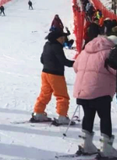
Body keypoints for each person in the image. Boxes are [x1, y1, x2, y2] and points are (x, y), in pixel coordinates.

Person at [73, 25, 117, 157]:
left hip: (83, 90)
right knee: (104, 117)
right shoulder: (110, 52)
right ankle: (106, 148)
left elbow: (76, 67)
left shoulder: (86, 50)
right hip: (100, 91)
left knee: (88, 115)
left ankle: (86, 144)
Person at [32, 29, 74, 124]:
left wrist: (49, 64)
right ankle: (62, 116)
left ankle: (38, 113)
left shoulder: (47, 45)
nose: (63, 39)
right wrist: (76, 63)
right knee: (62, 95)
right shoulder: (57, 47)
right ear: (57, 38)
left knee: (45, 93)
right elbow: (63, 61)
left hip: (45, 73)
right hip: (56, 74)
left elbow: (42, 59)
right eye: (62, 38)